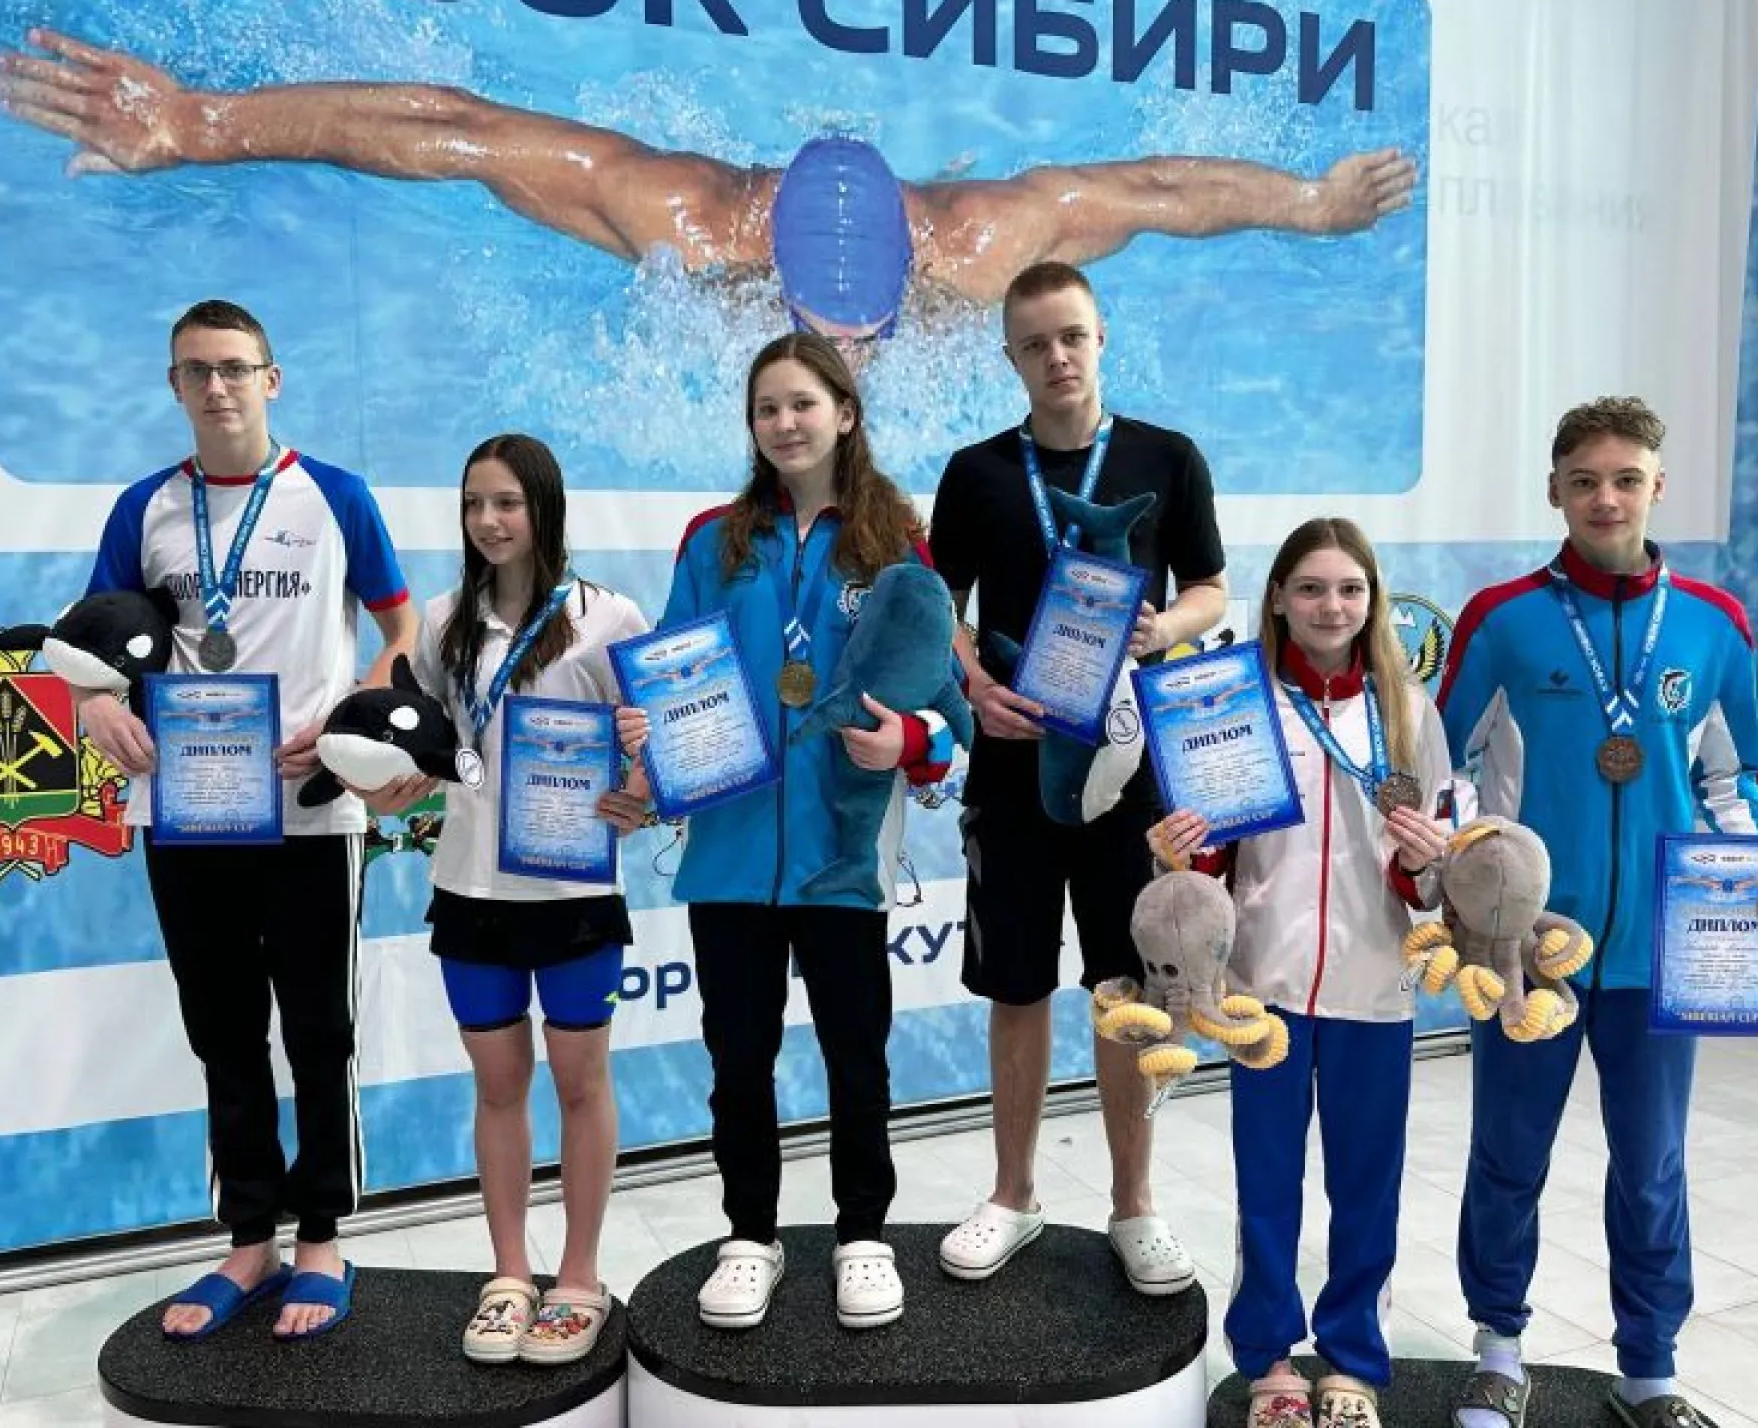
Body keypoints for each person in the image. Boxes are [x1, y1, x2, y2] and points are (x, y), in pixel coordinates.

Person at [0, 28, 1416, 367]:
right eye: (815, 325)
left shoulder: (982, 244)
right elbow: (456, 131)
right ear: (768, 268)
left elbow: (1158, 188)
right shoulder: (683, 217)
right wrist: (202, 124)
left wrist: (1308, 206)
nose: (842, 355)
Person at [1438, 397, 1758, 1428]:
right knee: (1508, 1156)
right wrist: (1474, 873)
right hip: (1528, 952)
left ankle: (1650, 1369)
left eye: (1625, 479)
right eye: (1584, 481)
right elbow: (1448, 770)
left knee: (1652, 1168)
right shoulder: (1503, 620)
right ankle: (1499, 1351)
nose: (1605, 498)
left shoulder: (1713, 624)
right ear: (1554, 490)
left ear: (1657, 487)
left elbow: (1732, 782)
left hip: (1666, 947)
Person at [74, 298, 418, 1340]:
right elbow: (91, 651)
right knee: (221, 1028)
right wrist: (94, 706)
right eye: (197, 370)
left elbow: (400, 625)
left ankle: (322, 1237)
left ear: (272, 379)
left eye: (234, 368)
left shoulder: (337, 497)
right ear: (174, 385)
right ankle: (250, 1236)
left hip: (309, 812)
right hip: (187, 813)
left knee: (319, 1030)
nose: (217, 386)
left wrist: (353, 717)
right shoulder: (144, 508)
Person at [617, 332, 951, 1330]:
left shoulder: (896, 544)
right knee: (738, 1058)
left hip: (842, 855)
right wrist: (646, 739)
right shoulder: (712, 541)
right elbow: (670, 674)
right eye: (766, 407)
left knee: (857, 1054)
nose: (784, 422)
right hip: (729, 858)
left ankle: (863, 1235)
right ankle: (750, 1235)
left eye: (802, 402)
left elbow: (947, 710)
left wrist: (910, 742)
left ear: (844, 413)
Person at [927, 260, 1227, 1295]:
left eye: (1072, 337)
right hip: (1012, 766)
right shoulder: (976, 473)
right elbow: (939, 608)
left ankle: (1134, 1205)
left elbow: (1212, 588)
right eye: (1035, 344)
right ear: (1010, 357)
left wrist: (1162, 626)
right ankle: (1013, 1193)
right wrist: (973, 684)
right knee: (1015, 987)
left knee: (1125, 990)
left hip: (1129, 774)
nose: (1056, 357)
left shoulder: (1166, 458)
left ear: (1101, 338)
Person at [1147, 518, 1453, 1428]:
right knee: (1267, 1186)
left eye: (1350, 589)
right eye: (1311, 588)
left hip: (1375, 986)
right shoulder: (1234, 708)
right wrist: (1182, 852)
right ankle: (1271, 1362)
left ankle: (1353, 1359)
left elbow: (1430, 879)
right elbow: (1214, 864)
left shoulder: (1409, 713)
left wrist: (1425, 860)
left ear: (1373, 601)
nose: (1331, 606)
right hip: (1263, 990)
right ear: (1277, 597)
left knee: (1367, 1188)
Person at [360, 434, 652, 1365]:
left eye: (507, 503)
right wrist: (388, 778)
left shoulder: (608, 617)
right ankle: (510, 1273)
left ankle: (579, 1276)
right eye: (474, 504)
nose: (488, 521)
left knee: (580, 1085)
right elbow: (414, 741)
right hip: (471, 889)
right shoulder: (444, 620)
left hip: (573, 893)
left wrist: (641, 786)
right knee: (497, 1088)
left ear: (545, 508)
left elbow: (657, 752)